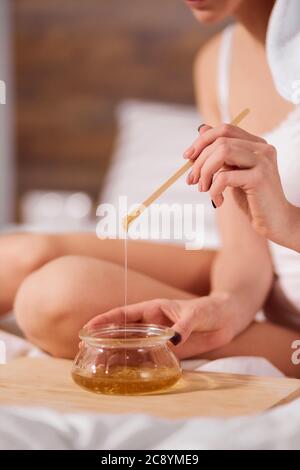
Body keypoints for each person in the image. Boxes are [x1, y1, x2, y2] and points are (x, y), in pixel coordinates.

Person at [2, 0, 300, 376]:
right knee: (18, 256)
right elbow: (245, 248)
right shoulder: (216, 63)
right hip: (264, 288)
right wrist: (224, 305)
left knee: (54, 298)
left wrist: (288, 222)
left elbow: (278, 225)